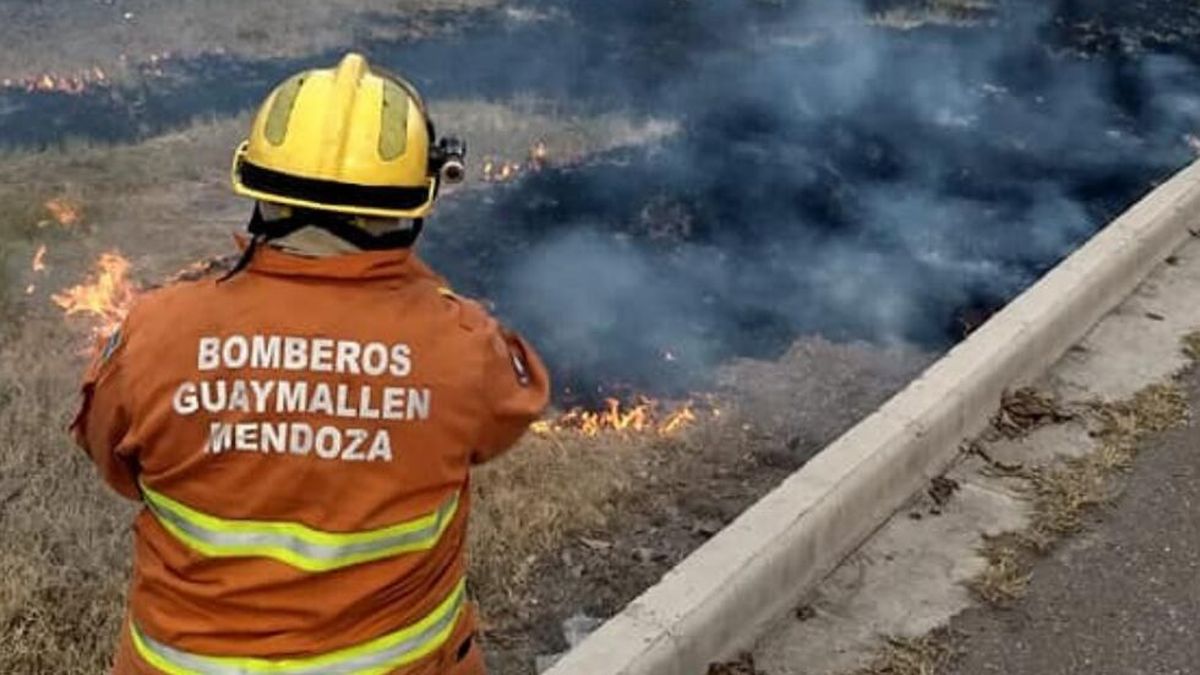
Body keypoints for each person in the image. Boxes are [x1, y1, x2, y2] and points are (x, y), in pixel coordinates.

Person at [71, 52, 550, 675]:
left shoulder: (155, 332)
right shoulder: (460, 344)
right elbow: (507, 415)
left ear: (256, 189)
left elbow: (113, 460)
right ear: (414, 203)